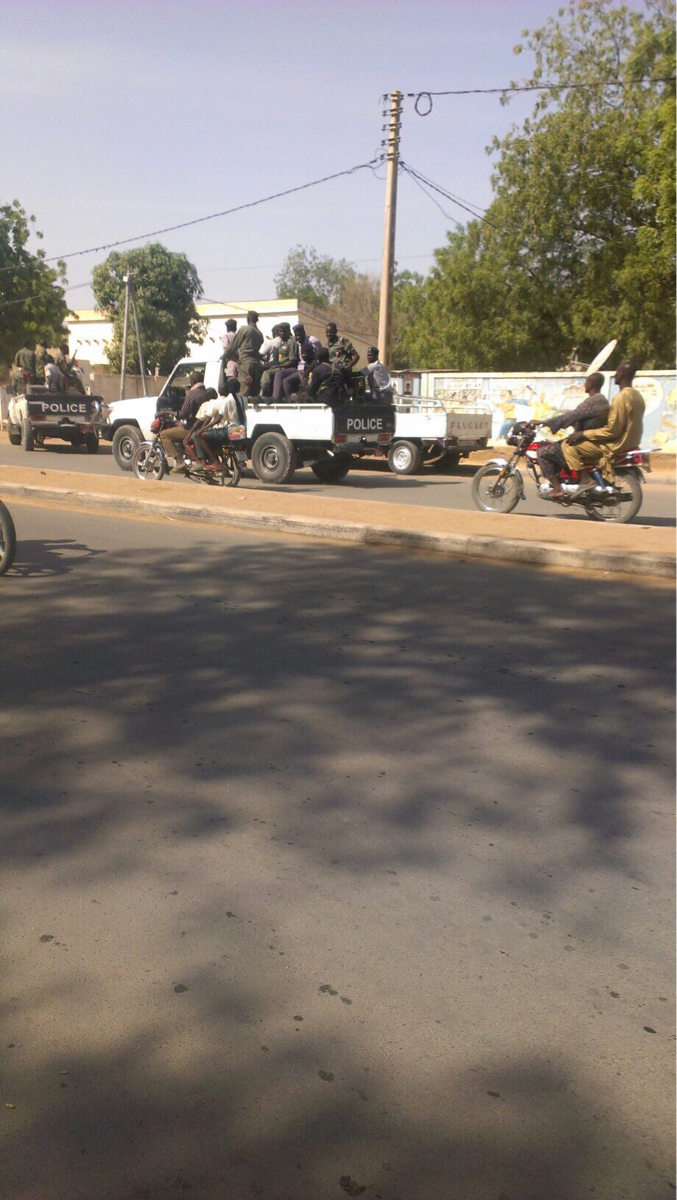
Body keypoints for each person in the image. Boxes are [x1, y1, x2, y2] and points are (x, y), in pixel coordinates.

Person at [563, 361, 645, 488]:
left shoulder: (621, 398)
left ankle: (585, 480)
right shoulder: (637, 396)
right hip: (630, 443)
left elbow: (612, 430)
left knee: (568, 445)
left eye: (617, 372)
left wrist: (583, 434)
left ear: (621, 374)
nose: (615, 375)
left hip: (616, 445)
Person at [536, 372, 610, 496]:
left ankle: (558, 488)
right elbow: (579, 416)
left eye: (586, 382)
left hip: (585, 442)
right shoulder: (602, 400)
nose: (584, 384)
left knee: (543, 452)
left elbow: (573, 415)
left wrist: (545, 422)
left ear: (591, 384)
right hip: (591, 440)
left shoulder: (593, 401)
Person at [159, 371, 209, 471]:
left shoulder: (192, 394)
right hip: (205, 427)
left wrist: (167, 412)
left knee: (164, 434)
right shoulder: (207, 393)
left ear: (192, 381)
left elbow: (182, 414)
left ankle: (179, 461)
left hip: (192, 428)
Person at [193, 379, 248, 467]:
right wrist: (248, 386)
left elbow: (218, 419)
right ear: (238, 388)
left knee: (199, 436)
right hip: (242, 430)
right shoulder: (243, 399)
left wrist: (202, 429)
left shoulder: (227, 400)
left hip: (231, 431)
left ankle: (215, 461)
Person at [224, 310, 264, 396]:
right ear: (256, 320)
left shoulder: (244, 329)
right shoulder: (260, 334)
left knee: (243, 389)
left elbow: (232, 346)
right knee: (254, 391)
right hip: (256, 363)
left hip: (245, 363)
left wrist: (225, 355)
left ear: (248, 319)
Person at [270, 323, 300, 400]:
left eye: (284, 331)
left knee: (278, 374)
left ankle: (275, 398)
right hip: (281, 366)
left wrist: (279, 366)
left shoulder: (291, 342)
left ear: (288, 331)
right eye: (280, 331)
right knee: (266, 371)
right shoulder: (281, 342)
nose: (282, 333)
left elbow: (292, 361)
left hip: (291, 368)